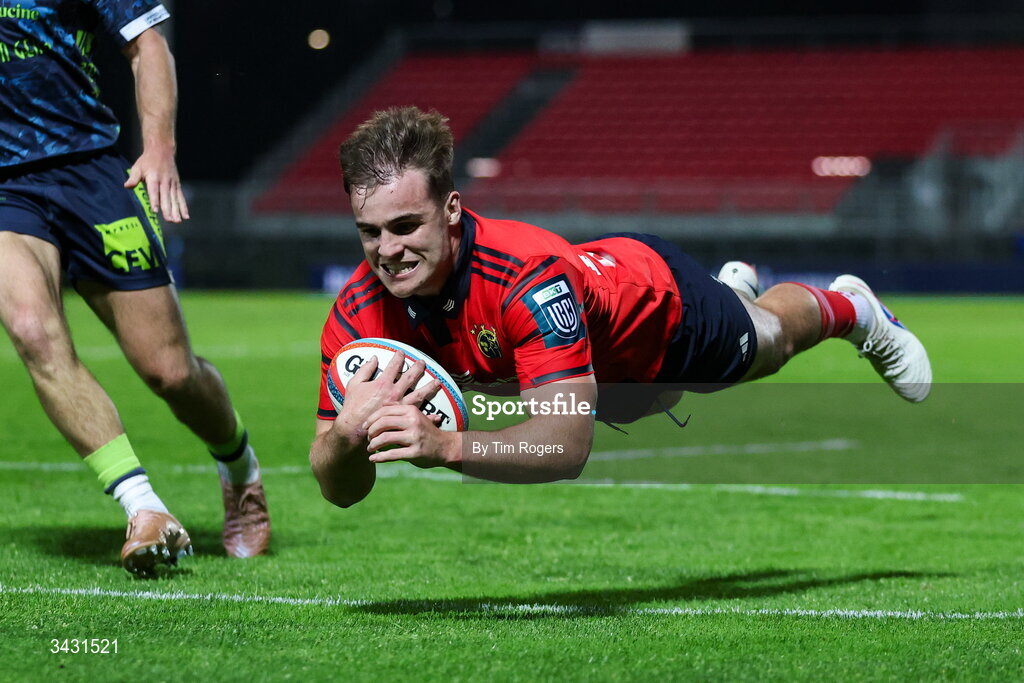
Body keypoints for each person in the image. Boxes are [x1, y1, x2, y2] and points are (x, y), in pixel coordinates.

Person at [310, 106, 931, 505]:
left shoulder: (526, 276)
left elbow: (563, 446)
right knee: (654, 404)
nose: (387, 251)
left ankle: (854, 310)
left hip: (659, 316)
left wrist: (446, 448)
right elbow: (337, 488)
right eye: (370, 232)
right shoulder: (356, 316)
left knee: (766, 344)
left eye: (406, 225)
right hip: (591, 374)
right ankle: (735, 289)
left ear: (450, 211)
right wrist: (345, 434)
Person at [0, 1, 269, 575]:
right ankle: (142, 507)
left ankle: (240, 468)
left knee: (169, 371)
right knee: (31, 330)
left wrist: (160, 147)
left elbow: (148, 44)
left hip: (91, 173)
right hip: (6, 188)